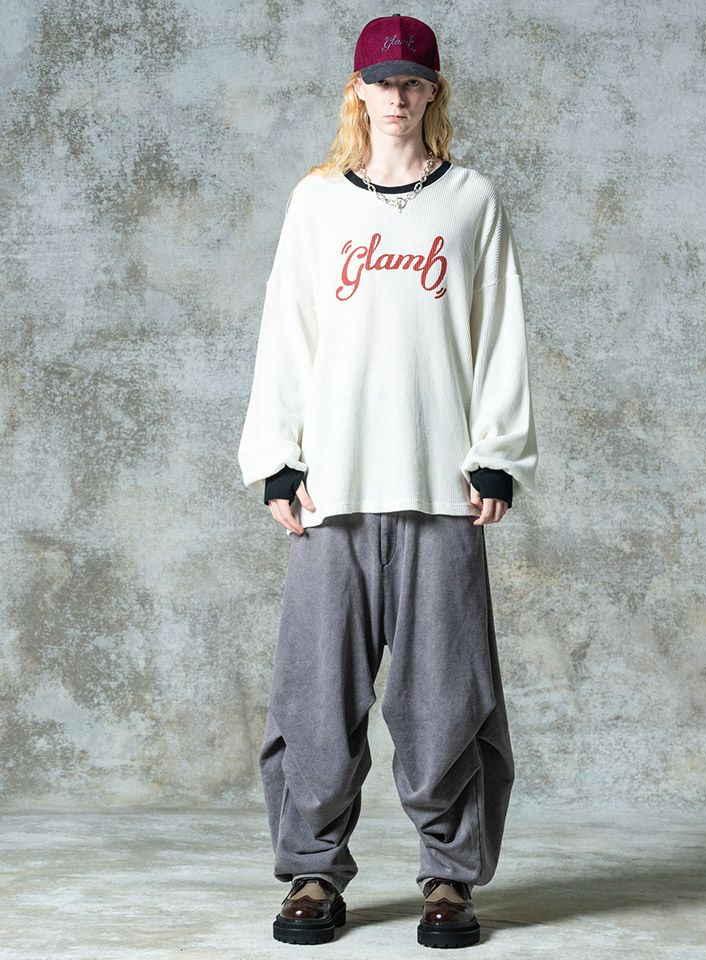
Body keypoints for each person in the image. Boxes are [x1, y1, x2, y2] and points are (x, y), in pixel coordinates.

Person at [237, 13, 538, 949]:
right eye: (382, 81)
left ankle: (449, 879)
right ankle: (313, 873)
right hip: (332, 491)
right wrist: (276, 458)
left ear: (432, 92)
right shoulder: (318, 202)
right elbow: (286, 330)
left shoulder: (471, 200)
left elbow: (500, 334)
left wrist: (498, 452)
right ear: (357, 91)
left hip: (442, 489)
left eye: (413, 82)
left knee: (448, 699)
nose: (397, 97)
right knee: (315, 699)